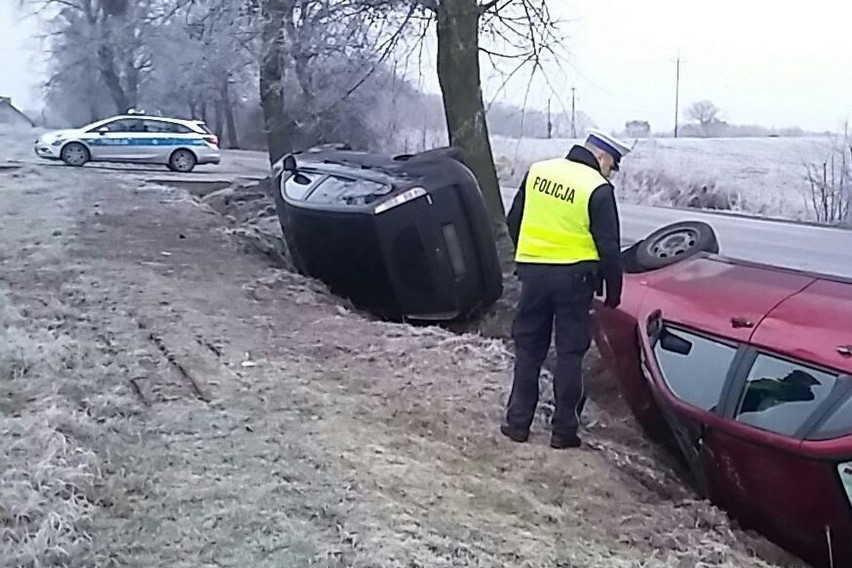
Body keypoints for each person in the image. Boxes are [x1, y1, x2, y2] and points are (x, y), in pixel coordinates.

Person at [501, 129, 630, 449]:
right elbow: (610, 248)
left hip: (533, 276)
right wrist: (613, 293)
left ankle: (518, 424)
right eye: (611, 165)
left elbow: (513, 220)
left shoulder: (538, 172)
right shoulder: (597, 188)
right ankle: (563, 432)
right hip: (575, 281)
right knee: (570, 354)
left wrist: (529, 255)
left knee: (529, 349)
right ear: (601, 156)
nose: (610, 172)